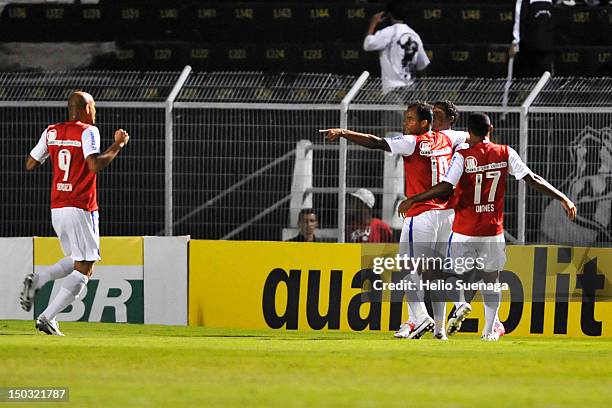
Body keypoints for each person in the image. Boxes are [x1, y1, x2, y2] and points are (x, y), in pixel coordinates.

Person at [398, 112, 576, 340]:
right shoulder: (505, 152)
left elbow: (445, 187)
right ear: (490, 128)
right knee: (491, 281)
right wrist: (563, 197)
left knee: (446, 274)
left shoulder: (463, 155)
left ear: (468, 132)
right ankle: (489, 330)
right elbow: (532, 178)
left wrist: (414, 198)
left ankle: (460, 304)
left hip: (464, 229)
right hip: (493, 231)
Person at [322, 102, 467, 340]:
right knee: (435, 271)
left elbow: (376, 142)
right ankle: (442, 327)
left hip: (421, 214)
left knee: (408, 268)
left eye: (410, 119)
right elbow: (472, 137)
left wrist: (344, 133)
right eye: (405, 118)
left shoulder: (413, 142)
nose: (405, 123)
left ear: (424, 123)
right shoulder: (449, 139)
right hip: (446, 215)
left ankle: (420, 318)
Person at [20, 91, 130, 336]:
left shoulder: (52, 131)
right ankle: (47, 317)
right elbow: (94, 165)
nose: (95, 111)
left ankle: (40, 278)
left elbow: (29, 163)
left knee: (75, 257)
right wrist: (118, 144)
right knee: (86, 266)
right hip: (80, 205)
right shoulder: (89, 131)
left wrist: (55, 152)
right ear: (85, 108)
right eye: (93, 106)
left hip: (57, 206)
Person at [363, 0, 430, 95]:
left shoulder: (387, 32)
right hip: (411, 91)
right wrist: (424, 90)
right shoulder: (414, 35)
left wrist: (373, 22)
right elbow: (422, 66)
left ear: (389, 14)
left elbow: (367, 45)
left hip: (393, 91)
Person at [510, 0, 554, 77]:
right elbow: (519, 20)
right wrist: (515, 43)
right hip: (527, 49)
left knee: (545, 82)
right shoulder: (523, 2)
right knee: (523, 82)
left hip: (546, 48)